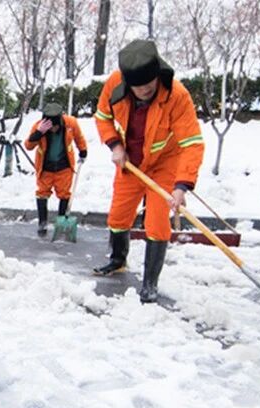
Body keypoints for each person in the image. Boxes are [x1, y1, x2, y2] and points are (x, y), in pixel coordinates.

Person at [92, 40, 205, 304]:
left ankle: (150, 283)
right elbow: (102, 116)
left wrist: (181, 185)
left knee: (157, 223)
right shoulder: (115, 85)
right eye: (138, 86)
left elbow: (191, 144)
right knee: (118, 216)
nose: (145, 90)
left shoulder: (177, 96)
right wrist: (115, 145)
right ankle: (117, 260)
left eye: (150, 84)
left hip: (164, 165)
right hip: (130, 162)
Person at [23, 102, 87, 236]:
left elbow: (79, 137)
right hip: (45, 167)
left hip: (64, 166)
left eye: (55, 127)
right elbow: (28, 146)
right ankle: (42, 224)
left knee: (64, 194)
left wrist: (83, 150)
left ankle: (61, 224)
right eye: (50, 128)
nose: (53, 130)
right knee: (42, 193)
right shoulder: (39, 127)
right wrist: (38, 133)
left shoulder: (71, 123)